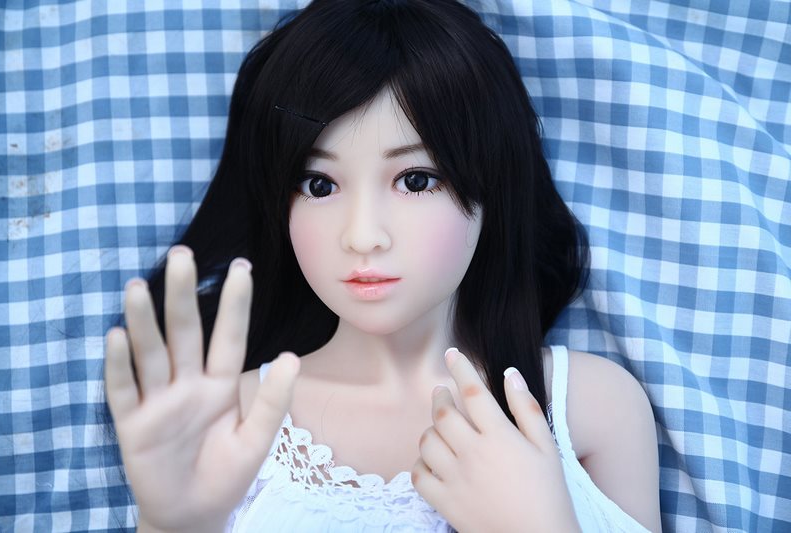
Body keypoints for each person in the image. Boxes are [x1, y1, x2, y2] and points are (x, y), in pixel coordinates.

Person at [103, 0, 661, 531]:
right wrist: (173, 526)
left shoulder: (593, 407)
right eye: (319, 185)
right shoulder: (222, 418)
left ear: (492, 185)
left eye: (415, 180)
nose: (362, 236)